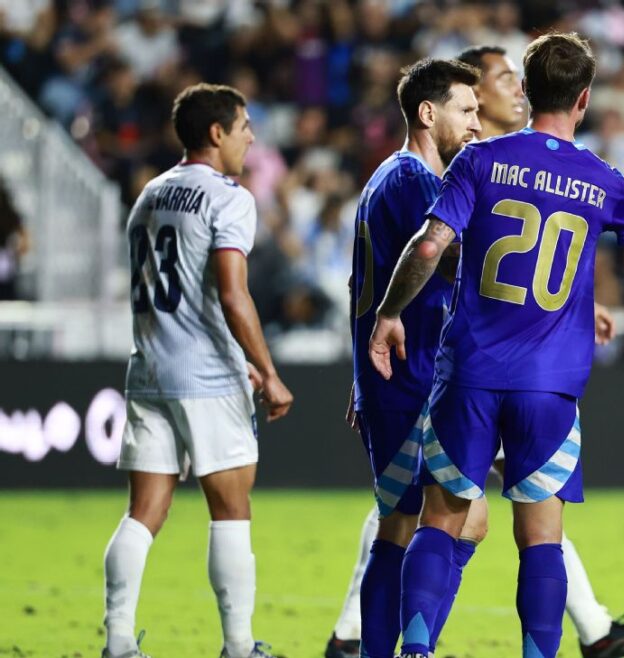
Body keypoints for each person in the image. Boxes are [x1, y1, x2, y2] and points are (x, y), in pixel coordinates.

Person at [367, 32, 624, 658]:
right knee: (541, 537)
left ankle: (415, 648)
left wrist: (389, 312)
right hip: (550, 385)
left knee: (441, 518)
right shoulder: (600, 178)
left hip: (469, 375)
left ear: (526, 88)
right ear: (584, 99)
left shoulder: (479, 160)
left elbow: (430, 244)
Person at [103, 83, 294, 658]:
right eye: (244, 127)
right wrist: (266, 369)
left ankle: (117, 640)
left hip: (149, 371)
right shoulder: (228, 198)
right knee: (231, 511)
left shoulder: (150, 194)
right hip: (208, 378)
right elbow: (233, 294)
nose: (251, 138)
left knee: (143, 513)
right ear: (217, 132)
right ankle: (238, 645)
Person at [333, 58, 483, 658]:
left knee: (408, 523)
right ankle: (410, 650)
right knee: (444, 522)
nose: (476, 124)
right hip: (412, 374)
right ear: (427, 113)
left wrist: (359, 375)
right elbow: (447, 256)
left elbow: (359, 283)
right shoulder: (414, 181)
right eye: (465, 110)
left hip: (395, 376)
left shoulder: (385, 179)